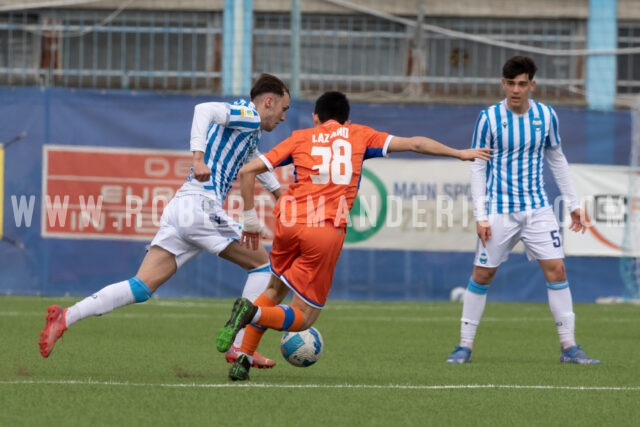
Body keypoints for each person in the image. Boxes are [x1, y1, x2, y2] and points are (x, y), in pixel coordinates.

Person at [214, 90, 493, 381]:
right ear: (347, 120)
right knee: (304, 318)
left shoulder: (300, 137)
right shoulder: (359, 136)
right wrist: (459, 153)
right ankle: (251, 314)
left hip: (287, 223)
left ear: (315, 118)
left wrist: (249, 219)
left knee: (273, 290)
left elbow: (248, 170)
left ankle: (242, 360)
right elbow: (416, 143)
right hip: (323, 229)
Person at [39, 74, 291, 369]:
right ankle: (240, 347)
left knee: (141, 287)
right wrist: (198, 158)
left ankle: (66, 316)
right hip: (201, 208)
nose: (284, 117)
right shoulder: (248, 114)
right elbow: (203, 110)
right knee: (264, 266)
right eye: (283, 109)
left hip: (181, 209)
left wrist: (277, 192)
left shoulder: (250, 131)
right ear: (269, 102)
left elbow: (254, 159)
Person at [446, 56, 599, 365]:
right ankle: (464, 346)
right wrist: (482, 215)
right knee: (483, 274)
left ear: (532, 84)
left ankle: (568, 346)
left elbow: (557, 159)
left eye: (521, 84)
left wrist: (572, 204)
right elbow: (478, 166)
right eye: (510, 84)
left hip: (538, 208)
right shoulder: (488, 119)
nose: (516, 90)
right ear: (503, 84)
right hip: (499, 210)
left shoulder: (546, 116)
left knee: (557, 269)